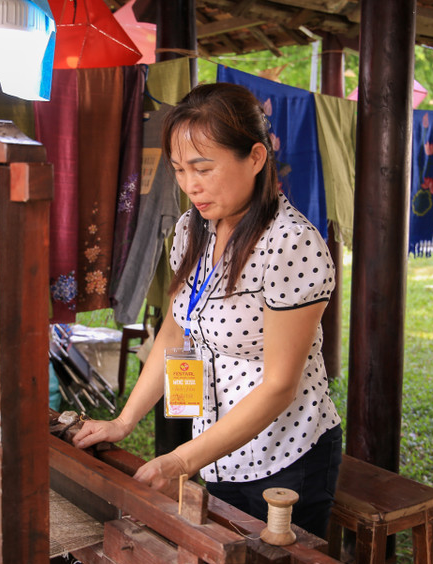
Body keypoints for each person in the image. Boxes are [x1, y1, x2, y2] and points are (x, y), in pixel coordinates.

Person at [73, 82, 342, 538]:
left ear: (255, 158)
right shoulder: (192, 228)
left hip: (284, 456)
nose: (190, 185)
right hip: (216, 453)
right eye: (179, 170)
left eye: (203, 168)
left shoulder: (291, 244)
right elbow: (176, 333)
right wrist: (124, 420)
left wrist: (182, 459)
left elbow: (279, 384)